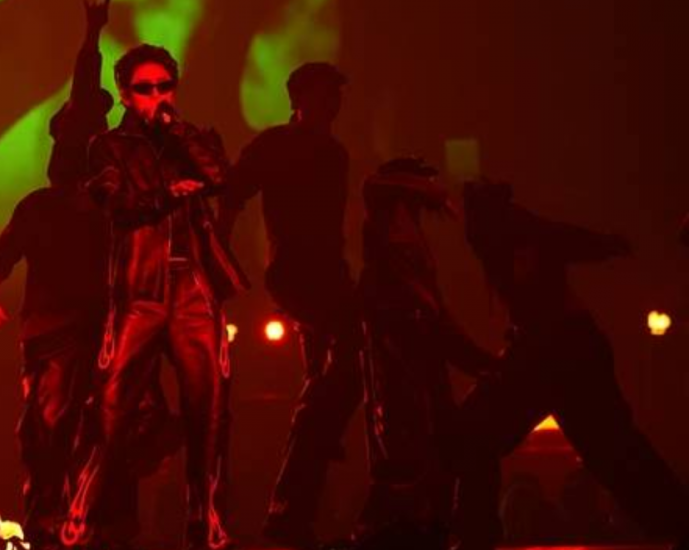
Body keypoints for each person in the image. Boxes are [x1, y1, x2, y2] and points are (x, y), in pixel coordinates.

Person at [0, 3, 177, 546]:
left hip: (104, 332)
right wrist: (91, 35)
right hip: (54, 335)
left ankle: (104, 526)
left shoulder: (114, 204)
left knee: (111, 433)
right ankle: (50, 523)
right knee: (50, 432)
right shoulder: (41, 207)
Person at [59, 44, 247, 550]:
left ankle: (206, 520)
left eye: (166, 86)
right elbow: (114, 203)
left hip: (194, 289)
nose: (158, 97)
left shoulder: (191, 137)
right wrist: (167, 195)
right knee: (110, 405)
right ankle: (80, 512)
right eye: (145, 89)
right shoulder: (108, 146)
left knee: (209, 409)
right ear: (124, 93)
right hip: (139, 290)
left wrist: (179, 133)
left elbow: (219, 178)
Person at [448, 178, 689, 550]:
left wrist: (606, 244)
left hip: (561, 351)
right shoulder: (506, 231)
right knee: (612, 448)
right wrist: (607, 244)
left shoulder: (513, 229)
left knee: (610, 448)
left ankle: (475, 535)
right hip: (557, 351)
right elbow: (565, 240)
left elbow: (562, 238)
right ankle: (677, 518)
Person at [218, 62, 357, 549]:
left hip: (329, 274)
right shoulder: (275, 144)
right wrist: (219, 252)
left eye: (336, 93)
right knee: (346, 355)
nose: (334, 102)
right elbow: (233, 192)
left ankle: (318, 431)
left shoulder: (335, 154)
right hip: (297, 273)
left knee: (337, 368)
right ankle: (317, 429)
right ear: (298, 99)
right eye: (325, 92)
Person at [354, 158, 494, 549]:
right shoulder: (385, 255)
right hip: (399, 369)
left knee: (436, 449)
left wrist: (479, 361)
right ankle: (389, 534)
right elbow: (376, 186)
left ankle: (424, 531)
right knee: (404, 457)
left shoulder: (412, 257)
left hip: (421, 366)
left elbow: (439, 322)